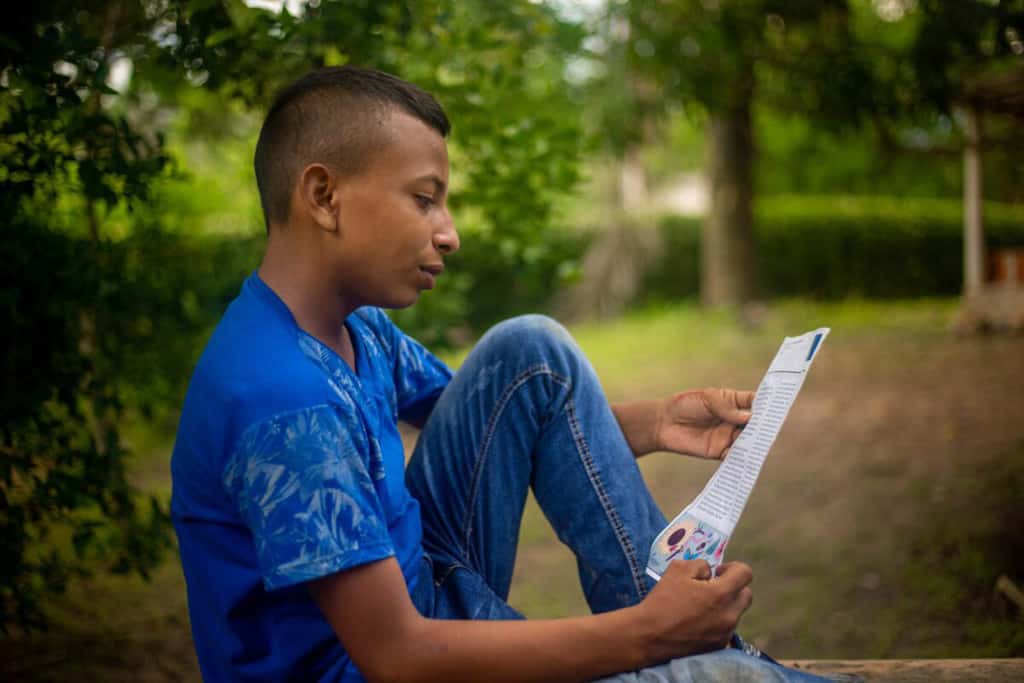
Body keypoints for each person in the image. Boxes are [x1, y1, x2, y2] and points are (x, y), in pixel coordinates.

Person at [171, 66, 839, 683]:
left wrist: (658, 421)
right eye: (425, 199)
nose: (450, 232)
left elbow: (506, 412)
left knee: (530, 352)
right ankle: (689, 648)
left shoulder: (354, 327)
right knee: (732, 678)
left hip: (427, 594)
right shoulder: (284, 402)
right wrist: (644, 634)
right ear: (323, 194)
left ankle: (687, 642)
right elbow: (397, 655)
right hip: (398, 658)